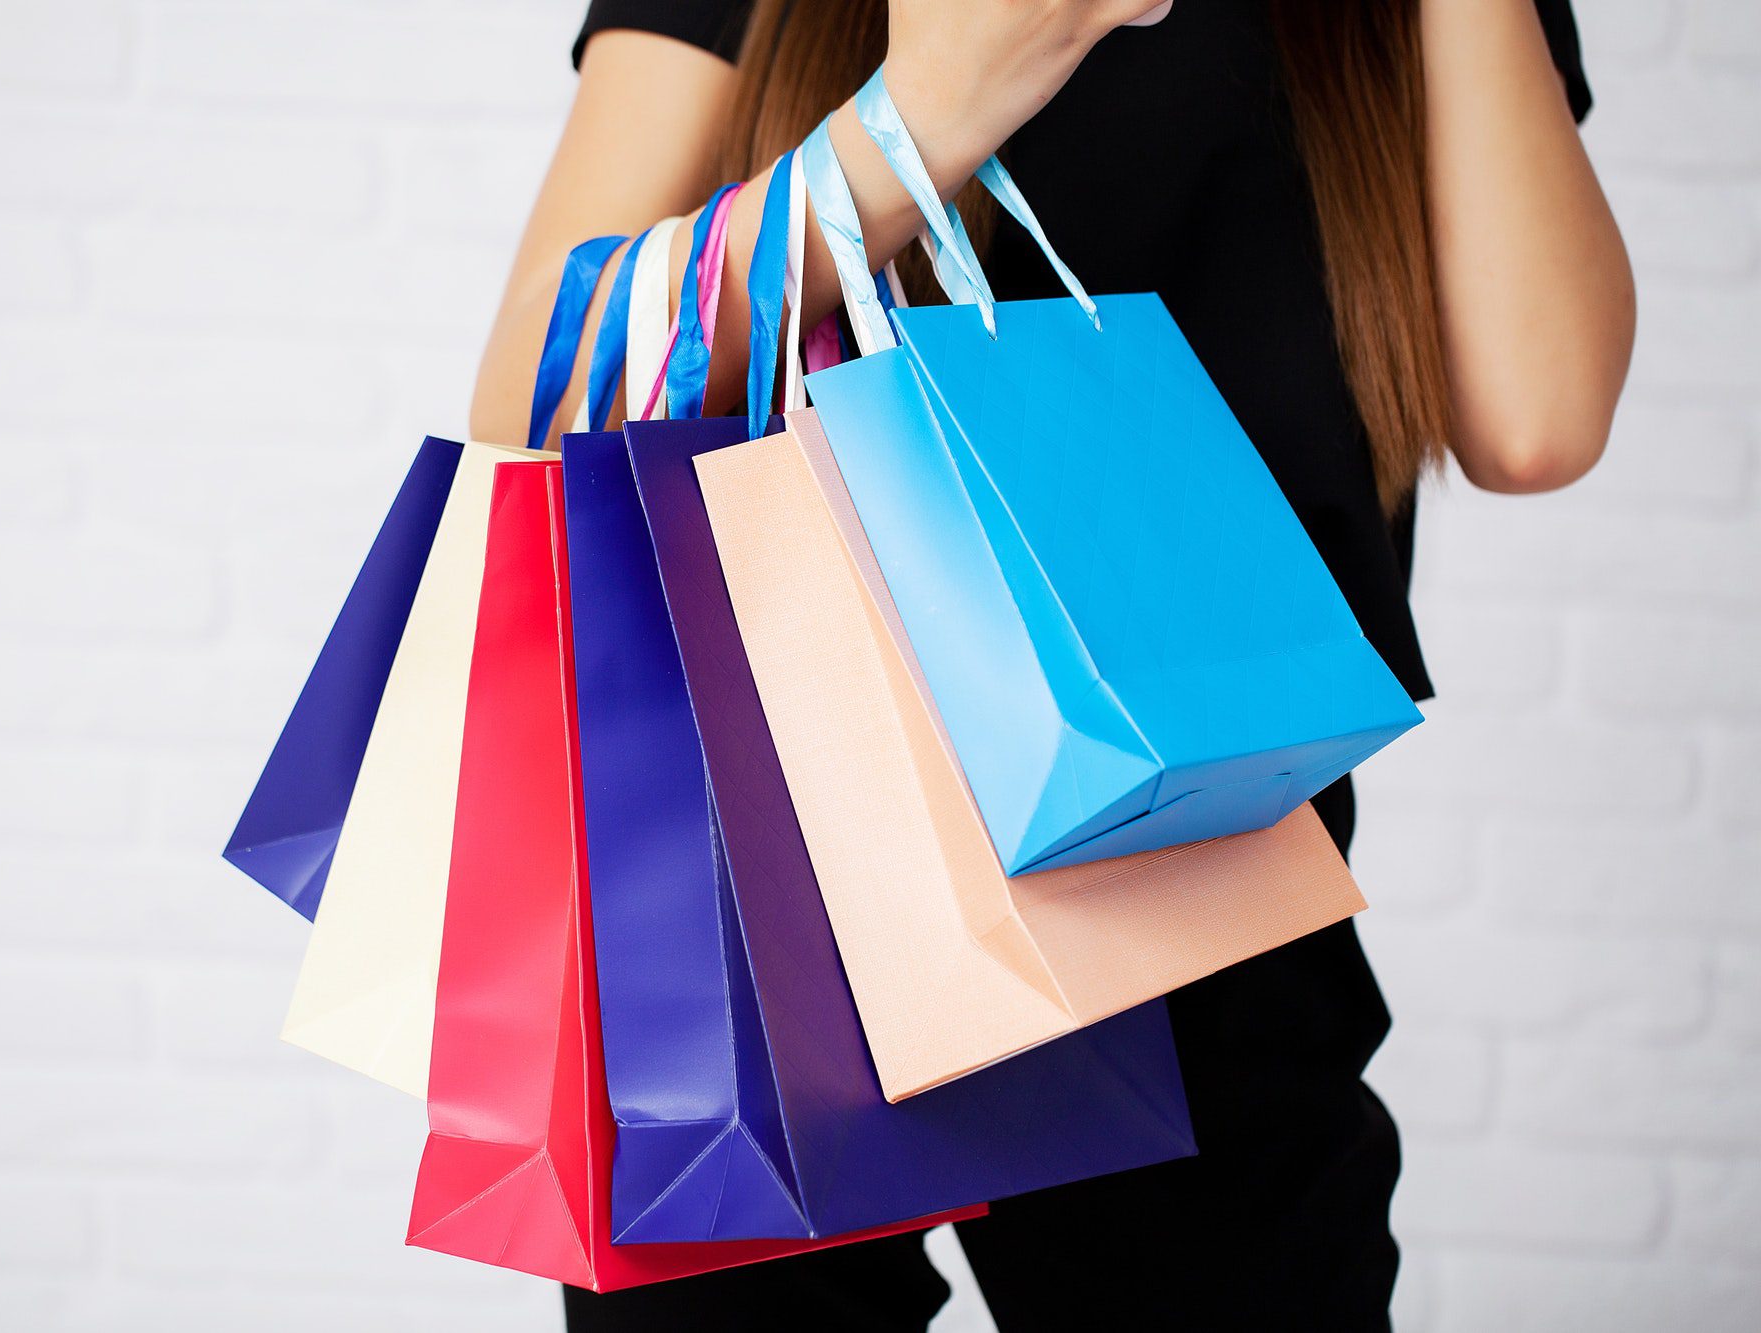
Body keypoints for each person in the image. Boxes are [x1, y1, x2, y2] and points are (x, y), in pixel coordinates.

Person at [470, 2, 1635, 1328]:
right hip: (773, 825)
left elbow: (1539, 415)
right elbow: (536, 391)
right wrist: (921, 121)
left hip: (1199, 858)